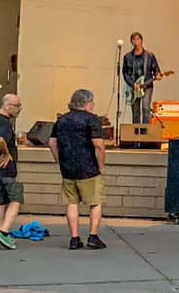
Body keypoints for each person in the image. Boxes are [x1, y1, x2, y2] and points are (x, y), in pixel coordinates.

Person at [49, 88, 107, 250]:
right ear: (87, 103)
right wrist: (101, 166)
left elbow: (52, 143)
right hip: (89, 168)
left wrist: (60, 161)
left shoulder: (61, 120)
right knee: (95, 202)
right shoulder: (92, 120)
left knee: (72, 203)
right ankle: (93, 236)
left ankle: (74, 238)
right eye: (92, 102)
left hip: (68, 169)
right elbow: (98, 145)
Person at [0, 94, 24, 250]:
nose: (19, 109)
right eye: (16, 106)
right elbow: (0, 139)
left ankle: (1, 234)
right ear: (7, 105)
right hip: (7, 169)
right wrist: (6, 153)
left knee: (2, 202)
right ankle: (4, 231)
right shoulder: (5, 123)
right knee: (16, 199)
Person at [122, 32, 161, 125]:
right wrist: (132, 84)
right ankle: (136, 135)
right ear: (131, 42)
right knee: (135, 112)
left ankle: (145, 133)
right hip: (134, 87)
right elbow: (125, 72)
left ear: (142, 41)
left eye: (138, 39)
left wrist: (157, 74)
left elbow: (156, 69)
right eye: (133, 39)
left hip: (147, 86)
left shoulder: (149, 55)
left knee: (145, 108)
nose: (136, 41)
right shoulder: (127, 57)